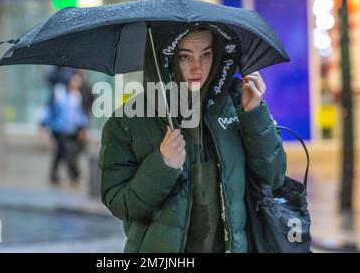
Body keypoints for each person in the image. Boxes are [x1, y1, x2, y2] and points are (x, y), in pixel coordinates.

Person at [99, 23, 287, 253]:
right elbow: (119, 202)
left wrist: (254, 116)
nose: (197, 68)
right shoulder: (127, 121)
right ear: (166, 60)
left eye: (206, 54)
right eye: (185, 57)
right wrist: (162, 166)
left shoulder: (239, 101)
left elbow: (274, 176)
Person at [42, 72, 89, 184]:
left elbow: (79, 114)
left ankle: (53, 175)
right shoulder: (59, 93)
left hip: (71, 129)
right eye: (75, 80)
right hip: (58, 129)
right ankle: (75, 173)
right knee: (66, 151)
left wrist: (83, 128)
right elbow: (49, 109)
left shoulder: (77, 95)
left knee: (59, 152)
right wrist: (43, 124)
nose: (77, 83)